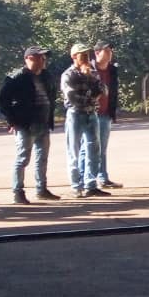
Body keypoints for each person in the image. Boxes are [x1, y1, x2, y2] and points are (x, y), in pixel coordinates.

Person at [0, 46, 62, 203]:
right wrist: (12, 120)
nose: (43, 61)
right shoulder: (17, 77)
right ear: (29, 59)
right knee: (22, 159)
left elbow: (51, 96)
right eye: (40, 57)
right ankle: (17, 192)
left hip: (43, 122)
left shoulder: (46, 76)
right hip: (26, 124)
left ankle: (41, 189)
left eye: (44, 58)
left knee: (42, 159)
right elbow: (3, 100)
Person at [61, 43, 106, 198]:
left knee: (94, 150)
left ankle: (90, 185)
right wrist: (91, 97)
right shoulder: (68, 74)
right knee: (74, 151)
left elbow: (102, 89)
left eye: (87, 54)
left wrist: (91, 81)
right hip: (76, 114)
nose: (86, 57)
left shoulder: (91, 72)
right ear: (74, 56)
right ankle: (76, 186)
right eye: (82, 54)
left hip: (91, 114)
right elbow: (72, 97)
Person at [91, 42, 122, 188]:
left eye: (110, 50)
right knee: (88, 148)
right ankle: (86, 180)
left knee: (102, 148)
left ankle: (102, 177)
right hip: (90, 114)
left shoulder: (112, 70)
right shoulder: (89, 69)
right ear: (97, 53)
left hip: (106, 114)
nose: (110, 53)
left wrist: (112, 111)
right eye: (106, 50)